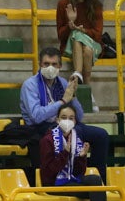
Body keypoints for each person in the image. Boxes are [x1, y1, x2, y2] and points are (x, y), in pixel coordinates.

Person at [20, 47, 109, 180]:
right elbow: (36, 116)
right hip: (41, 127)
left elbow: (79, 116)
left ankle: (99, 178)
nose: (50, 67)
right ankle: (71, 176)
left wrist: (72, 96)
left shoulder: (62, 83)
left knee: (101, 135)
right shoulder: (30, 85)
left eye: (54, 64)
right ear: (40, 64)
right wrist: (63, 101)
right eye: (46, 64)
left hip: (66, 123)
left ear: (60, 66)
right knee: (75, 133)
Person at [38, 104, 106, 201]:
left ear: (75, 121)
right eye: (64, 118)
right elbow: (48, 173)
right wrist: (64, 153)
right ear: (57, 120)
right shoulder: (47, 140)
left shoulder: (76, 139)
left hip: (70, 181)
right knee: (97, 192)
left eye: (71, 118)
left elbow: (79, 173)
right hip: (54, 184)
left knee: (96, 183)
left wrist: (81, 157)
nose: (67, 121)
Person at [56, 0, 103, 92]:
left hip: (94, 45)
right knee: (77, 36)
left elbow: (98, 35)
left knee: (87, 48)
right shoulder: (64, 4)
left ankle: (77, 73)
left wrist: (84, 30)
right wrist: (70, 26)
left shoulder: (96, 5)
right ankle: (88, 89)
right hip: (69, 47)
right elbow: (60, 35)